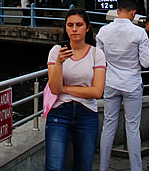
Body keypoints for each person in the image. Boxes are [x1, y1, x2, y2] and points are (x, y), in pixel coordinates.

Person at [45, 9, 106, 171]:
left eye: (79, 25)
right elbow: (54, 88)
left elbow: (97, 91)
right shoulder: (56, 52)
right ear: (65, 28)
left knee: (83, 166)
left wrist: (65, 88)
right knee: (54, 166)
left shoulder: (96, 54)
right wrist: (58, 63)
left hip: (87, 113)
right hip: (59, 112)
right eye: (70, 25)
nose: (74, 29)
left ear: (87, 28)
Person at [96, 0, 149, 171]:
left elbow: (99, 60)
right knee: (133, 128)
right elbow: (146, 63)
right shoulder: (139, 33)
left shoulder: (103, 32)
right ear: (134, 13)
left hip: (111, 82)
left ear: (117, 11)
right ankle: (136, 168)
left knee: (109, 125)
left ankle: (103, 167)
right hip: (132, 83)